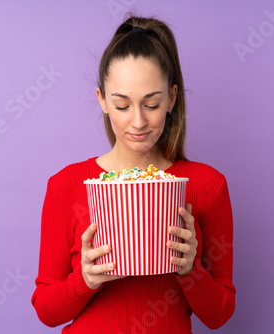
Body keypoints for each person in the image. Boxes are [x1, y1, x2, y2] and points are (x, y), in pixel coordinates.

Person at [31, 13, 236, 333]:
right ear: (102, 101)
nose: (138, 121)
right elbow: (46, 310)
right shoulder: (66, 186)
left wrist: (190, 270)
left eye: (151, 103)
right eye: (123, 105)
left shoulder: (207, 186)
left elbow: (219, 315)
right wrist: (84, 281)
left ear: (171, 98)